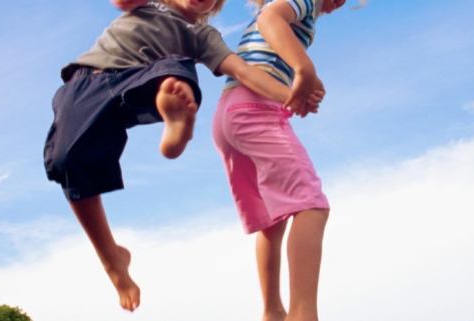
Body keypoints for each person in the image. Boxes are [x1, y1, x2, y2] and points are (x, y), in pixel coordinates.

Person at [43, 0, 323, 312]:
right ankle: (113, 260)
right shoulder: (147, 6)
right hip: (86, 81)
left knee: (176, 72)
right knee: (67, 162)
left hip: (145, 80)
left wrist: (291, 97)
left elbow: (243, 71)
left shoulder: (202, 34)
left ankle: (178, 122)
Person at [211, 0, 359, 319]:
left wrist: (296, 90)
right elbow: (269, 18)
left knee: (271, 220)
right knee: (311, 206)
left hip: (228, 114)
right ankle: (303, 312)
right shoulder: (302, 1)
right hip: (255, 111)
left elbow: (269, 32)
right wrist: (304, 68)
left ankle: (272, 311)